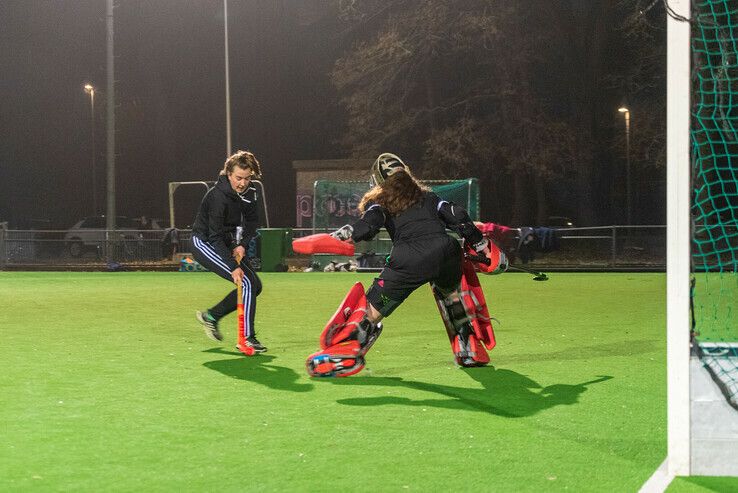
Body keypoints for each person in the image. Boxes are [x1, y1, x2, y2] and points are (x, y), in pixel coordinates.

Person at [306, 153, 493, 377]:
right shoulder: (430, 197)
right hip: (447, 253)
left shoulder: (381, 202)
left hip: (409, 260)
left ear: (377, 180)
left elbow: (368, 225)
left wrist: (342, 236)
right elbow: (457, 215)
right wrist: (480, 244)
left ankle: (349, 348)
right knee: (450, 293)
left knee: (373, 311)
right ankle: (468, 346)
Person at [191, 150, 266, 356]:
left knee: (255, 285)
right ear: (228, 174)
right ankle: (248, 338)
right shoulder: (217, 197)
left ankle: (211, 317)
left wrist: (242, 244)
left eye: (247, 178)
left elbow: (252, 222)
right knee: (247, 282)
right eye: (238, 178)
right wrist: (233, 267)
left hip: (227, 241)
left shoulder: (250, 192)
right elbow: (214, 237)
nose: (242, 183)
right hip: (204, 242)